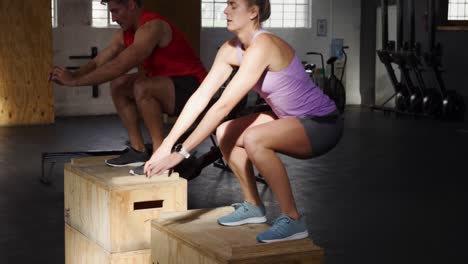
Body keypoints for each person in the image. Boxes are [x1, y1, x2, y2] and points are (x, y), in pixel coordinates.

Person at [143, 0, 343, 243]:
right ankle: (253, 206)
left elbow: (223, 105)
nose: (225, 10)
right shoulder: (229, 49)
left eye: (233, 5)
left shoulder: (264, 45)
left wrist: (183, 153)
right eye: (227, 5)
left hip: (321, 124)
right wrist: (167, 145)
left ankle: (293, 219)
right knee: (225, 130)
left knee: (252, 139)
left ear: (253, 12)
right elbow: (201, 97)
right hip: (288, 119)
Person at [50, 0, 207, 171]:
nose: (113, 17)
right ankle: (138, 150)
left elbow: (119, 65)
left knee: (143, 86)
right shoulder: (124, 34)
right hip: (166, 86)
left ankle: (160, 152)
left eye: (116, 11)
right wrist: (74, 74)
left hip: (195, 89)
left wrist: (75, 83)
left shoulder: (153, 26)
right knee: (119, 84)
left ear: (131, 5)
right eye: (111, 12)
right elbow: (98, 62)